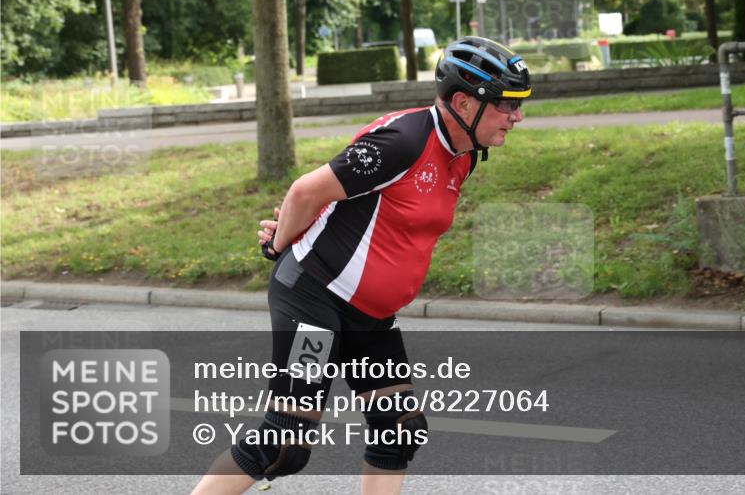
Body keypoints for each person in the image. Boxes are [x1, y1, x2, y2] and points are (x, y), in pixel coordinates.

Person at [191, 36, 531, 495]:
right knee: (284, 443)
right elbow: (305, 192)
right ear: (464, 103)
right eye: (507, 105)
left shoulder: (463, 156)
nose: (517, 117)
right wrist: (280, 245)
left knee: (400, 430)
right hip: (314, 299)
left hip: (369, 316)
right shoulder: (403, 141)